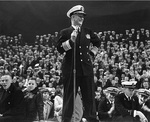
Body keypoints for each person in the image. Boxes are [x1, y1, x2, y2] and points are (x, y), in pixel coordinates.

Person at [57, 5, 100, 122]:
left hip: (86, 68)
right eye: (79, 16)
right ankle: (66, 119)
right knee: (69, 97)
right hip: (71, 69)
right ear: (73, 17)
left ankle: (91, 119)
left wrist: (92, 54)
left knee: (89, 96)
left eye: (83, 16)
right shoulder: (65, 32)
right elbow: (60, 49)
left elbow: (98, 42)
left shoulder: (87, 31)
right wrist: (71, 41)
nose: (82, 18)